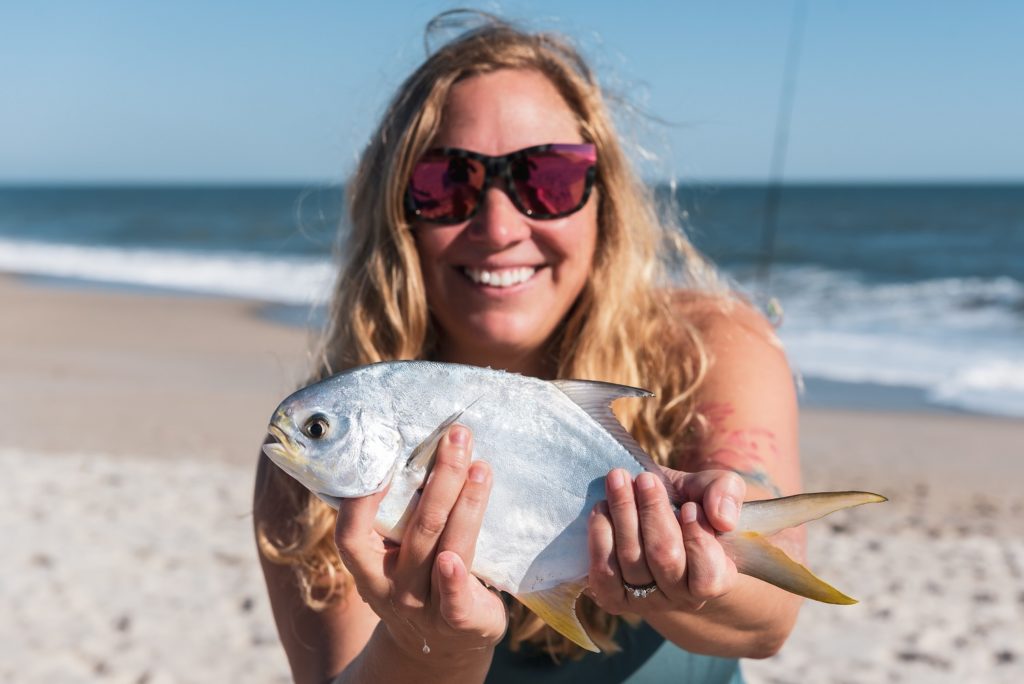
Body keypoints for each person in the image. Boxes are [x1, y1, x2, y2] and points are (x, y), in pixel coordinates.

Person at [254, 12, 803, 684]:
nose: (500, 225)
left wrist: (696, 560)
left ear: (605, 199)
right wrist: (435, 646)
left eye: (549, 178)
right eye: (446, 183)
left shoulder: (710, 344)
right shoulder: (308, 469)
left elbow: (769, 622)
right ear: (397, 212)